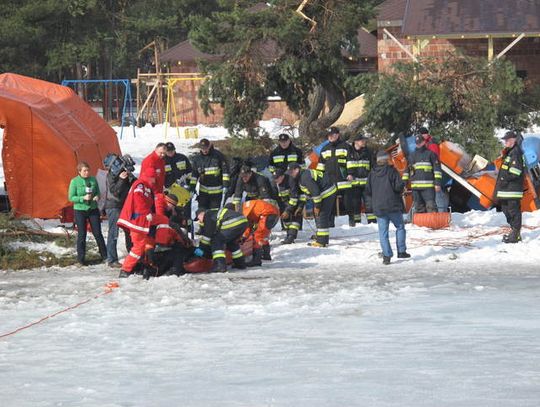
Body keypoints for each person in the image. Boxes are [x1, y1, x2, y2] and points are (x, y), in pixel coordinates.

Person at [365, 151, 411, 265]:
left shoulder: (372, 173)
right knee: (400, 227)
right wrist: (403, 184)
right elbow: (398, 186)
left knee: (383, 232)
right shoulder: (392, 171)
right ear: (387, 159)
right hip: (392, 206)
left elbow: (368, 190)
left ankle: (387, 256)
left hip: (379, 207)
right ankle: (401, 251)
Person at [117, 167, 159, 278]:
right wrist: (146, 213)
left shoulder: (145, 187)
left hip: (141, 222)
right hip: (137, 221)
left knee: (146, 243)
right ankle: (126, 269)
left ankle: (143, 265)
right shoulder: (140, 185)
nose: (154, 181)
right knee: (138, 246)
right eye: (153, 178)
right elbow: (138, 199)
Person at [68, 161, 107, 266]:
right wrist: (82, 198)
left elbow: (98, 192)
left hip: (93, 209)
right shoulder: (74, 181)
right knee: (82, 234)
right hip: (80, 210)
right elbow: (71, 197)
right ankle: (81, 259)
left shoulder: (93, 179)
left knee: (98, 233)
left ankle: (105, 256)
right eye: (84, 171)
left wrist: (97, 197)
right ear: (79, 171)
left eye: (88, 170)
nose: (87, 172)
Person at [288, 163, 336, 247]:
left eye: (291, 172)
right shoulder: (300, 177)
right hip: (321, 194)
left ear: (297, 169)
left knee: (321, 214)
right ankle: (320, 235)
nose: (290, 175)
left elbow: (315, 192)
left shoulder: (305, 177)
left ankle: (322, 241)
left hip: (327, 192)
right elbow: (306, 193)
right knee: (317, 214)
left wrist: (317, 206)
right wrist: (300, 207)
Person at [104, 158, 136, 268]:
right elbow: (115, 191)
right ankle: (112, 259)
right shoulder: (111, 175)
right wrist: (122, 179)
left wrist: (130, 175)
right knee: (114, 233)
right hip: (113, 206)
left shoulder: (123, 172)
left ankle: (132, 254)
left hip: (124, 205)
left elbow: (135, 184)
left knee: (129, 230)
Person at [316, 126, 352, 225]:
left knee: (347, 202)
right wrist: (320, 179)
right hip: (329, 181)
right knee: (329, 204)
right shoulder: (324, 148)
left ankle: (351, 222)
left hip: (344, 180)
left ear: (338, 135)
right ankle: (331, 223)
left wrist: (350, 173)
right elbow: (320, 165)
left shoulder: (345, 146)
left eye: (332, 135)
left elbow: (350, 161)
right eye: (329, 135)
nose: (330, 137)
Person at [196, 206, 248, 272]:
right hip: (243, 221)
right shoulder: (214, 212)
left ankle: (220, 266)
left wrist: (201, 248)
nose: (199, 221)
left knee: (216, 241)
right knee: (231, 243)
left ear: (201, 214)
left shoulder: (208, 215)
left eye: (198, 218)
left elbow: (208, 233)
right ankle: (240, 263)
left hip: (233, 222)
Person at [495, 131, 525, 243]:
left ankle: (516, 235)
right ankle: (514, 231)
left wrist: (504, 179)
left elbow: (515, 172)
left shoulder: (515, 153)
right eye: (505, 140)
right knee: (505, 209)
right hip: (506, 189)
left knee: (513, 211)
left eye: (507, 140)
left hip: (513, 189)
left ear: (514, 140)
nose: (505, 142)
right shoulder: (509, 152)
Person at [402, 135, 442, 213]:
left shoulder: (431, 154)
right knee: (419, 209)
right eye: (417, 143)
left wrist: (437, 183)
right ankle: (421, 224)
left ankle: (432, 224)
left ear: (424, 142)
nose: (418, 144)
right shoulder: (411, 156)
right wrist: (404, 183)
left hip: (428, 188)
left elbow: (437, 170)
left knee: (431, 207)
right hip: (416, 188)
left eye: (420, 142)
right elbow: (406, 170)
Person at [190, 138, 230, 210]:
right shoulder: (197, 159)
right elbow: (194, 176)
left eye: (206, 148)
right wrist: (192, 188)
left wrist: (225, 185)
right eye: (202, 148)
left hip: (216, 192)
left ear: (209, 146)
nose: (204, 150)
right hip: (203, 192)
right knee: (202, 212)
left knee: (214, 213)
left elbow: (225, 172)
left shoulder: (218, 156)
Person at [347, 133, 376, 226]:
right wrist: (348, 175)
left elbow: (373, 166)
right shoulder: (349, 152)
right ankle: (357, 224)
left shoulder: (368, 152)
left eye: (364, 140)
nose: (364, 142)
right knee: (355, 205)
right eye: (362, 140)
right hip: (354, 184)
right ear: (356, 141)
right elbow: (342, 166)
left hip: (366, 184)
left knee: (370, 204)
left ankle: (372, 223)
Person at [241, 199, 280, 266]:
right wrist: (245, 235)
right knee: (264, 235)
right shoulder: (249, 207)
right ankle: (266, 255)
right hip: (273, 213)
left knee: (258, 235)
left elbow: (247, 225)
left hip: (267, 214)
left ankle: (257, 260)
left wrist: (244, 236)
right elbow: (249, 225)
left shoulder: (245, 209)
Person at [419, 127, 448, 212]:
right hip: (429, 173)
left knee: (437, 194)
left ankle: (442, 215)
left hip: (433, 172)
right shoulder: (427, 142)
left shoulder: (432, 144)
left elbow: (434, 160)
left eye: (421, 134)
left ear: (425, 134)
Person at [274, 168, 304, 244]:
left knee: (295, 217)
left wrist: (288, 210)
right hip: (286, 202)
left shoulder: (291, 181)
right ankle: (289, 234)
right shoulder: (276, 183)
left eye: (277, 178)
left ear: (282, 176)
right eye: (274, 178)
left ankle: (291, 236)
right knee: (285, 218)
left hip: (297, 201)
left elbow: (294, 198)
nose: (275, 180)